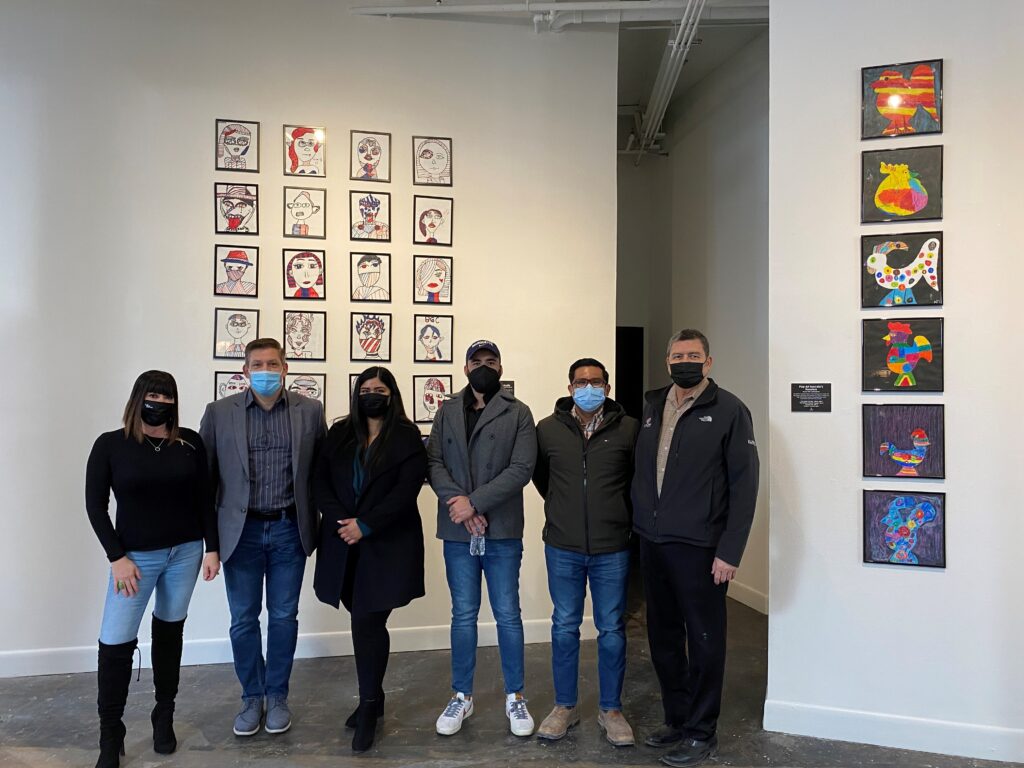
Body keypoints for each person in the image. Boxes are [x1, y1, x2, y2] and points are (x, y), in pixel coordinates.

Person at [632, 330, 759, 767]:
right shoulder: (652, 406)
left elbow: (745, 487)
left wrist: (730, 550)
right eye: (677, 355)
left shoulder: (729, 411)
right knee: (663, 637)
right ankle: (677, 719)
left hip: (702, 547)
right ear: (667, 361)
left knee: (704, 640)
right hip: (653, 541)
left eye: (693, 355)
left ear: (708, 362)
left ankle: (702, 732)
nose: (684, 361)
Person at [85, 371, 220, 767]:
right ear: (138, 397)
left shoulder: (190, 442)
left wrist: (212, 549)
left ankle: (164, 713)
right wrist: (116, 557)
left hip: (186, 553)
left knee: (169, 631)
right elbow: (95, 507)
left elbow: (205, 499)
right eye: (152, 394)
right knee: (116, 643)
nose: (159, 401)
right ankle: (111, 732)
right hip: (134, 560)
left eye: (167, 396)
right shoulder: (112, 445)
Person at [199, 339, 326, 738]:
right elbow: (205, 482)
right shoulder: (220, 413)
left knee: (285, 617)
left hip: (290, 528)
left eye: (273, 363)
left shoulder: (310, 411)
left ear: (285, 368)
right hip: (241, 532)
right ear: (245, 370)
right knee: (243, 619)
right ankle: (251, 697)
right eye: (258, 364)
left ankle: (279, 695)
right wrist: (210, 545)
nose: (266, 370)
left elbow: (323, 472)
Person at [312, 367, 427, 753]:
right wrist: (343, 522)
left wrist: (367, 525)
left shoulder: (407, 435)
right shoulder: (340, 432)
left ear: (392, 394)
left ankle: (368, 705)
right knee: (363, 618)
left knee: (368, 619)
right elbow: (319, 480)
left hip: (386, 543)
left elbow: (406, 491)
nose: (372, 395)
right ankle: (373, 699)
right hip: (344, 541)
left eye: (380, 389)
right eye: (366, 389)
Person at [426, 340, 538, 738]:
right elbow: (434, 462)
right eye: (477, 361)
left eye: (491, 361)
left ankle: (516, 696)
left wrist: (473, 503)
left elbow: (522, 467)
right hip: (458, 530)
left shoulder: (518, 412)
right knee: (463, 614)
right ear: (465, 367)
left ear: (501, 367)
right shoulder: (446, 410)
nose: (484, 367)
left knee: (508, 614)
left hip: (502, 528)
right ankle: (462, 694)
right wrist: (459, 504)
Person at [532, 358, 639, 746]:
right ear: (569, 387)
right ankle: (565, 707)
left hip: (613, 547)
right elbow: (543, 479)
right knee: (564, 627)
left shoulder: (629, 429)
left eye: (596, 381)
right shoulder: (547, 430)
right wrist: (567, 510)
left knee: (610, 629)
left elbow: (634, 481)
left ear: (608, 388)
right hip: (563, 545)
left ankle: (611, 709)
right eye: (581, 382)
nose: (588, 387)